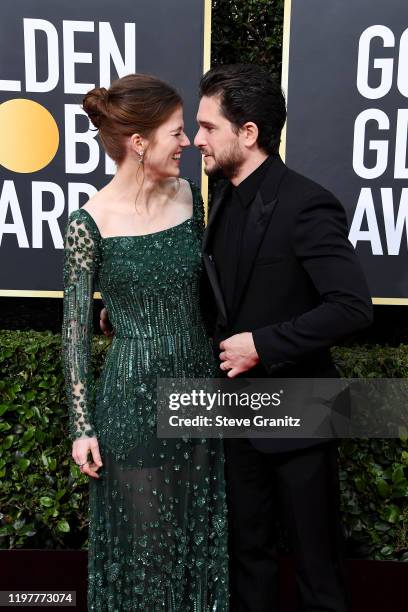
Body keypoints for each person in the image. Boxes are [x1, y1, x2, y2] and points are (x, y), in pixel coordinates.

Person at [193, 64, 373, 611]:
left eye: (207, 126)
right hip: (237, 414)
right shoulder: (221, 195)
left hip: (301, 414)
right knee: (248, 560)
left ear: (247, 133)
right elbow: (221, 296)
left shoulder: (306, 203)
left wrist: (264, 345)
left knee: (318, 572)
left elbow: (352, 308)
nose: (196, 139)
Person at [62, 73, 228, 611]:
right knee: (147, 550)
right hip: (132, 398)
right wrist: (82, 427)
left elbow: (201, 287)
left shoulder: (190, 196)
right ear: (140, 142)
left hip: (198, 389)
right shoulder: (90, 222)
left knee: (199, 539)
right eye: (176, 133)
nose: (188, 143)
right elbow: (72, 332)